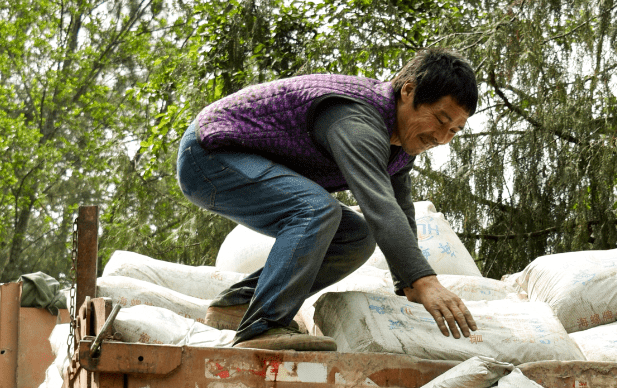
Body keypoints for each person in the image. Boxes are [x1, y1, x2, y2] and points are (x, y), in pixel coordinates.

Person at [176, 47, 479, 352]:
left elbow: (399, 208)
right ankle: (263, 326)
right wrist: (425, 281)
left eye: (454, 130)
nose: (442, 138)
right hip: (209, 153)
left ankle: (238, 304)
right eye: (440, 120)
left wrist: (408, 285)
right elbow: (380, 206)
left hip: (239, 163)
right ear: (408, 91)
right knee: (316, 209)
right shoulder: (358, 118)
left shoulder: (398, 146)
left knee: (356, 236)